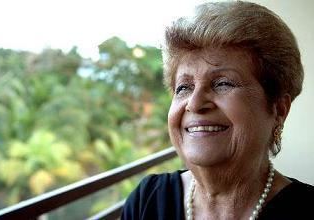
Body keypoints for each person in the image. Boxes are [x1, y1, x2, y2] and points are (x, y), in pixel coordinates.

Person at [121, 1, 314, 219]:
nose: (194, 104)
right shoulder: (148, 200)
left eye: (223, 83)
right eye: (184, 87)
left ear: (278, 109)